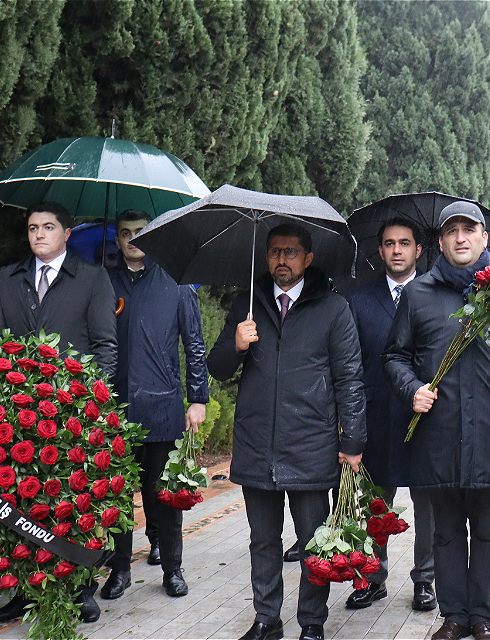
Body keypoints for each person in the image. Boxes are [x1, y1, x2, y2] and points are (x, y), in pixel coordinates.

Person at [383, 201, 490, 640]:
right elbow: (395, 356)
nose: (461, 238)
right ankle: (453, 616)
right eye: (452, 231)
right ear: (440, 242)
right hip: (439, 431)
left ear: (483, 238)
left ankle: (484, 618)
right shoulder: (420, 294)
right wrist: (411, 388)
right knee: (447, 530)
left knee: (489, 529)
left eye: (469, 230)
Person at [208, 222, 366, 640]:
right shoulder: (249, 304)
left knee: (313, 542)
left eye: (291, 252)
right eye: (275, 251)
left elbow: (350, 378)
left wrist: (352, 440)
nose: (282, 259)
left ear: (307, 258)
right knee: (263, 541)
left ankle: (312, 623)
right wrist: (237, 345)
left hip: (311, 443)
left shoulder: (332, 309)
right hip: (257, 441)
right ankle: (267, 619)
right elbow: (218, 367)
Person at [0, 201, 118, 624]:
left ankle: (81, 588)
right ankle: (24, 589)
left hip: (71, 416)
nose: (38, 234)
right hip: (15, 414)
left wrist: (89, 403)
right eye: (32, 228)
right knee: (18, 503)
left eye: (47, 227)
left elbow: (105, 348)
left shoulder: (93, 278)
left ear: (66, 233)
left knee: (71, 503)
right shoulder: (8, 279)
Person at [101, 209, 209, 601]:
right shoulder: (104, 283)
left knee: (164, 495)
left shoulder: (176, 283)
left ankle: (173, 569)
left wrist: (197, 398)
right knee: (116, 496)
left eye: (139, 233)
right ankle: (118, 570)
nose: (133, 239)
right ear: (116, 240)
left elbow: (194, 343)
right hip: (112, 407)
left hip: (162, 407)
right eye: (125, 233)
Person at [346, 218, 437, 612]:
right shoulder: (359, 300)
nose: (397, 250)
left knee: (430, 507)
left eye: (405, 243)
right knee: (374, 504)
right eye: (389, 243)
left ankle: (426, 581)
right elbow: (348, 366)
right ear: (380, 251)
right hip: (376, 419)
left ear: (419, 250)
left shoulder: (439, 297)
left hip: (425, 420)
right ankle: (372, 576)